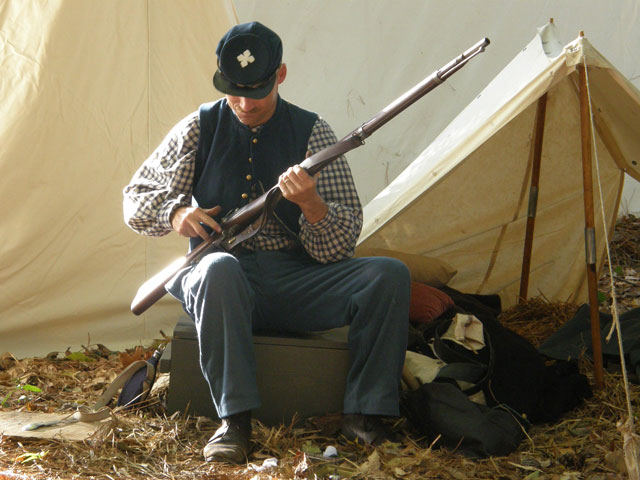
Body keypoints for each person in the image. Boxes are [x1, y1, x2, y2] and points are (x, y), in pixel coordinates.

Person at [123, 21, 410, 464]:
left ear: (280, 75)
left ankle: (366, 414)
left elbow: (339, 248)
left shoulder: (313, 132)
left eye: (254, 90)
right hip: (219, 277)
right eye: (233, 90)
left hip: (295, 279)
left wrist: (312, 205)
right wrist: (176, 214)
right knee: (219, 269)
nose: (242, 103)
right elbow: (136, 199)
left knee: (388, 276)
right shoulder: (199, 127)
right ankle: (233, 422)